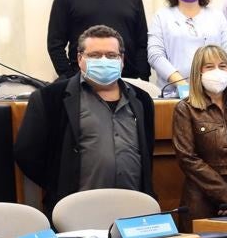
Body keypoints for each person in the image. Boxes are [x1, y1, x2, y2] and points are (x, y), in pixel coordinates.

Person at [16, 25, 155, 214]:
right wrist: (60, 183)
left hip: (134, 208)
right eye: (95, 55)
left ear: (122, 60)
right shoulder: (50, 98)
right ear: (80, 58)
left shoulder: (142, 100)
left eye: (111, 55)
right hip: (75, 211)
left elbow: (147, 151)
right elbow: (27, 153)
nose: (104, 61)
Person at [172, 45, 227, 220]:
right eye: (209, 67)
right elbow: (187, 159)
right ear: (198, 73)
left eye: (222, 66)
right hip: (202, 200)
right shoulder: (185, 109)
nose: (217, 71)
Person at [147, 0, 227, 95]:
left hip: (213, 90)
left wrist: (214, 80)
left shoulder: (216, 16)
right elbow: (155, 55)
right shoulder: (162, 16)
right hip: (174, 92)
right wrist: (182, 85)